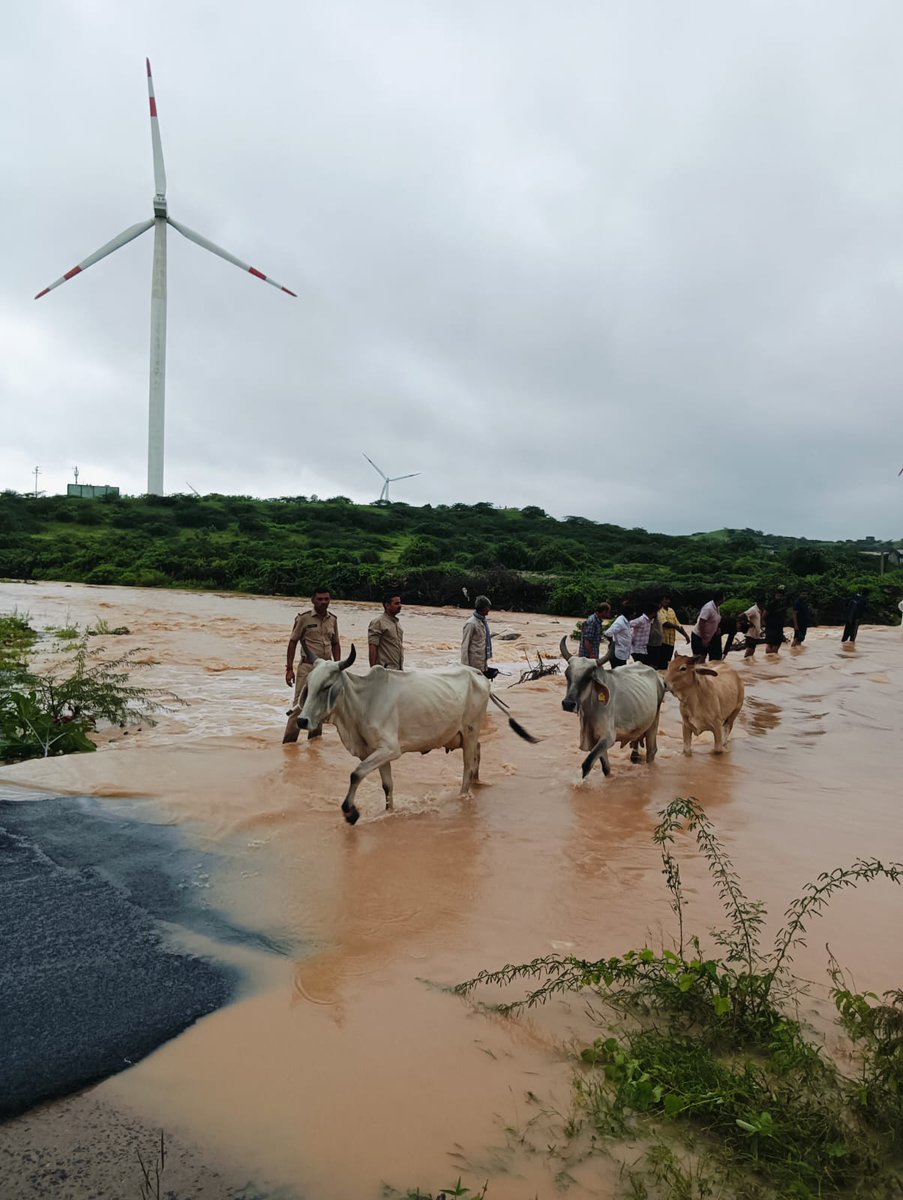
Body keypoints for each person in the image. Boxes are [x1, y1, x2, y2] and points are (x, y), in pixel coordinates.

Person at [285, 589, 342, 738]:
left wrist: (338, 667)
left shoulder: (333, 619)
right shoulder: (304, 618)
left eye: (326, 599)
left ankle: (315, 746)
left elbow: (335, 644)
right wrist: (289, 669)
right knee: (299, 706)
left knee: (319, 706)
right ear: (313, 600)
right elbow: (292, 642)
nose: (324, 602)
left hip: (325, 670)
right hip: (308, 667)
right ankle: (289, 744)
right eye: (320, 599)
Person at [461, 595, 498, 678]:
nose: (489, 609)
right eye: (488, 607)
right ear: (483, 608)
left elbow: (483, 641)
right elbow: (464, 646)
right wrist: (465, 668)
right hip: (473, 664)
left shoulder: (483, 622)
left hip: (482, 662)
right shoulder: (471, 624)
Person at [368, 594, 404, 669]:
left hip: (398, 669)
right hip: (385, 670)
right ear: (387, 605)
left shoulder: (396, 623)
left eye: (400, 603)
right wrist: (373, 670)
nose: (400, 606)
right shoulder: (378, 622)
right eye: (396, 603)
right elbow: (373, 646)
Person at [657, 595, 689, 668]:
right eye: (665, 599)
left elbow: (678, 624)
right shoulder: (659, 611)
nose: (667, 601)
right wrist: (676, 626)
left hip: (671, 641)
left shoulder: (671, 611)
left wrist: (686, 636)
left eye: (668, 599)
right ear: (661, 601)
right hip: (662, 641)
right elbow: (664, 623)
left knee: (667, 662)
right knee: (660, 662)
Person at [691, 590, 724, 661]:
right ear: (721, 599)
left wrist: (717, 628)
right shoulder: (708, 608)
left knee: (714, 661)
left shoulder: (717, 607)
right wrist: (704, 639)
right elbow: (701, 623)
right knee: (699, 661)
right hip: (699, 637)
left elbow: (716, 619)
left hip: (709, 637)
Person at [764, 586, 797, 654]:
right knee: (771, 644)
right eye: (777, 596)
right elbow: (764, 614)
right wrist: (764, 624)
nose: (779, 597)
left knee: (776, 644)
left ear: (783, 597)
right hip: (771, 627)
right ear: (775, 595)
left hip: (779, 627)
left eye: (780, 596)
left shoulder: (784, 604)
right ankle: (771, 659)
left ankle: (770, 660)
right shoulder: (771, 603)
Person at [601, 599, 633, 669]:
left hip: (622, 653)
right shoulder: (620, 622)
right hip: (618, 654)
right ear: (629, 614)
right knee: (618, 674)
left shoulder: (626, 621)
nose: (632, 617)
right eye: (632, 615)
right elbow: (607, 633)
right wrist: (613, 643)